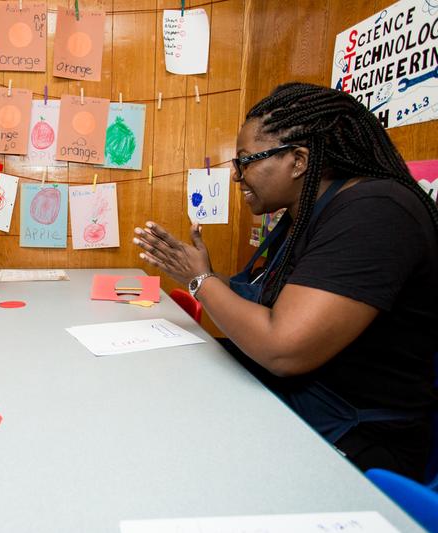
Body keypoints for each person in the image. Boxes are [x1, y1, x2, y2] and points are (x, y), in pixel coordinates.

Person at [133, 82, 438, 480]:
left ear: (298, 161)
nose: (237, 176)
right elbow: (266, 302)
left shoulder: (375, 213)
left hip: (362, 440)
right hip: (304, 400)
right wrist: (203, 277)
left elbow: (284, 349)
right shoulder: (303, 215)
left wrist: (201, 281)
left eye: (245, 161)